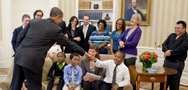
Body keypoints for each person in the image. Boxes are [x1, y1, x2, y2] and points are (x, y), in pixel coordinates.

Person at [10, 7, 91, 90]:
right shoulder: (55, 29)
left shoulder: (34, 21)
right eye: (61, 19)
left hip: (19, 55)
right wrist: (85, 53)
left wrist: (18, 50)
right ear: (58, 17)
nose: (60, 22)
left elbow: (20, 37)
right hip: (33, 60)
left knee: (15, 85)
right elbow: (69, 43)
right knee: (35, 87)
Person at [160, 21, 188, 90]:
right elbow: (164, 45)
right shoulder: (171, 35)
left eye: (178, 28)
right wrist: (167, 51)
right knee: (163, 83)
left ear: (184, 29)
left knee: (174, 85)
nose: (176, 29)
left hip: (177, 63)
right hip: (167, 62)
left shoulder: (186, 37)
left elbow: (182, 48)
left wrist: (170, 53)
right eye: (175, 28)